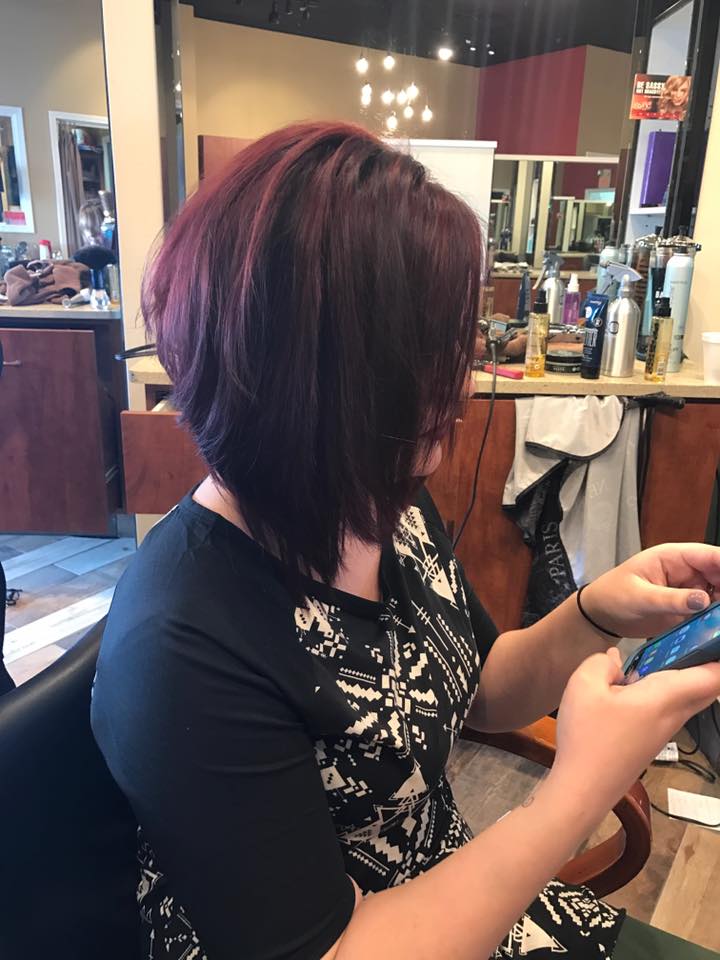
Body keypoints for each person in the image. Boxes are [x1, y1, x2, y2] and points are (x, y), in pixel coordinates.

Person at [91, 121, 720, 960]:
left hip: (453, 892)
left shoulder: (373, 497)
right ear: (321, 381)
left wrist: (595, 614)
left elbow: (480, 687)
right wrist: (575, 793)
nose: (458, 387)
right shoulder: (182, 642)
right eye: (426, 359)